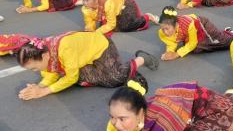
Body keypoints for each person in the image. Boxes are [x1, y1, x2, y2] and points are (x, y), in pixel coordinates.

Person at [15, 31, 157, 101]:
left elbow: (70, 77)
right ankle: (123, 71)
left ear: (45, 56)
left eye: (34, 68)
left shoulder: (64, 49)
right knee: (80, 79)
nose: (36, 70)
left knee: (114, 78)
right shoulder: (44, 51)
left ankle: (141, 59)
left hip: (101, 47)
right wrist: (39, 86)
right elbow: (50, 73)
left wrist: (44, 92)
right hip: (84, 58)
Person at [158, 6, 233, 61]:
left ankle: (232, 33)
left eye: (167, 29)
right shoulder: (162, 32)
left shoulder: (188, 24)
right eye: (162, 29)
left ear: (176, 25)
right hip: (191, 34)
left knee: (225, 43)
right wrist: (170, 51)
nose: (165, 32)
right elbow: (171, 42)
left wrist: (176, 54)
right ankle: (225, 33)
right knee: (196, 49)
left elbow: (192, 43)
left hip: (202, 25)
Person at [82, 0, 158, 35]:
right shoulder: (85, 9)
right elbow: (89, 21)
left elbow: (111, 24)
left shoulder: (108, 4)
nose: (84, 3)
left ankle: (147, 17)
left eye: (87, 0)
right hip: (114, 12)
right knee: (107, 27)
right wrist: (89, 28)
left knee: (126, 26)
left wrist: (96, 33)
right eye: (83, 0)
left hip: (125, 5)